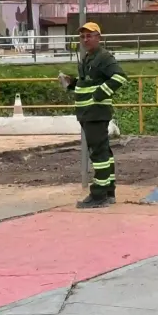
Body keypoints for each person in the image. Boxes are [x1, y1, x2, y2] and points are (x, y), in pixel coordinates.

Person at [60, 22, 128, 209]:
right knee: (103, 152)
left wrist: (99, 94)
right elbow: (89, 82)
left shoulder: (104, 57)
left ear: (98, 37)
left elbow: (119, 77)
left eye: (89, 36)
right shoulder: (88, 58)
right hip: (88, 113)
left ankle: (99, 194)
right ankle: (109, 191)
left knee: (98, 154)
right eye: (82, 37)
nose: (85, 39)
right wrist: (72, 84)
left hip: (96, 113)